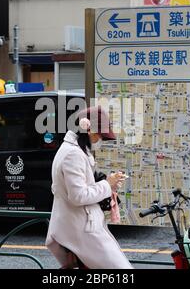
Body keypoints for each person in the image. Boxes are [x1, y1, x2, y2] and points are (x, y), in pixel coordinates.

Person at [45, 106, 133, 269]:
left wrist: (108, 182)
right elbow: (78, 196)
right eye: (100, 135)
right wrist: (108, 184)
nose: (100, 139)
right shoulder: (74, 154)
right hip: (82, 228)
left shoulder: (71, 150)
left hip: (78, 225)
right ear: (90, 130)